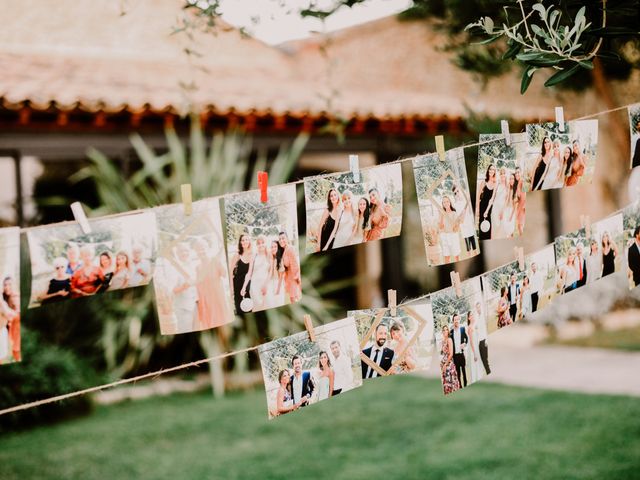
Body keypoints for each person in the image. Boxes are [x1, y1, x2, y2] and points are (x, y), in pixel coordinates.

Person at [193, 237, 232, 329]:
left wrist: (223, 259)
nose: (201, 251)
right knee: (210, 322)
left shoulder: (215, 261)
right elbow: (198, 287)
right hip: (206, 300)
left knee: (222, 321)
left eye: (203, 248)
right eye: (198, 249)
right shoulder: (197, 268)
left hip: (218, 297)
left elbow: (225, 275)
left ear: (207, 248)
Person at [168, 244, 196, 332]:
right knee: (186, 331)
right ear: (177, 254)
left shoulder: (193, 266)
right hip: (183, 308)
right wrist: (185, 286)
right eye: (181, 251)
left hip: (195, 305)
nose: (184, 253)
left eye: (186, 250)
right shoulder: (173, 269)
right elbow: (172, 290)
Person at [432, 195, 466, 263]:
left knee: (456, 256)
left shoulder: (454, 213)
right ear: (442, 204)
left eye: (447, 201)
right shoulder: (441, 213)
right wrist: (441, 215)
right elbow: (441, 227)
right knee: (446, 256)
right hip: (444, 236)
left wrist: (457, 223)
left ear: (450, 202)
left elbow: (457, 227)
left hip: (453, 236)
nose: (446, 203)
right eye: (444, 202)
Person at [230, 234, 254, 313]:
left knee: (248, 306)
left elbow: (249, 273)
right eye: (243, 240)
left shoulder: (251, 255)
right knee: (239, 306)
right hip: (236, 283)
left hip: (246, 283)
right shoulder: (237, 255)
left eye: (246, 239)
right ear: (240, 242)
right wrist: (231, 288)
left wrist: (244, 287)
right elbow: (230, 272)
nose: (244, 242)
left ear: (249, 241)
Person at [249, 235, 271, 311]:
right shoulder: (254, 255)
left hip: (265, 283)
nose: (261, 244)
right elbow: (250, 271)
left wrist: (266, 284)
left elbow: (270, 271)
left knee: (266, 305)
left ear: (266, 243)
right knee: (256, 306)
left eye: (262, 242)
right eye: (258, 243)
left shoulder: (269, 255)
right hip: (254, 284)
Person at [279, 232, 301, 304]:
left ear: (287, 239)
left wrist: (296, 279)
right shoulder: (284, 250)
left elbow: (294, 264)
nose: (281, 240)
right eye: (280, 239)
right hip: (289, 278)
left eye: (283, 238)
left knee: (294, 299)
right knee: (292, 299)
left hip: (293, 278)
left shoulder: (290, 248)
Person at [453, 184, 476, 253]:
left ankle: (474, 251)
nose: (457, 193)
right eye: (455, 193)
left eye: (458, 191)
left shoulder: (465, 200)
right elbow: (458, 213)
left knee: (471, 234)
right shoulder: (456, 203)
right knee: (466, 235)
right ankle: (468, 251)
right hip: (462, 221)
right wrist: (461, 218)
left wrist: (465, 212)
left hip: (468, 219)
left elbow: (468, 210)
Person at [477, 164, 497, 240]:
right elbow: (478, 196)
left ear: (495, 172)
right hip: (482, 206)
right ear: (488, 170)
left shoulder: (495, 184)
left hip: (489, 208)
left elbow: (492, 199)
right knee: (481, 226)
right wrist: (478, 209)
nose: (491, 171)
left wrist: (487, 211)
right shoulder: (483, 182)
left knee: (488, 227)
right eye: (490, 169)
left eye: (493, 170)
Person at [2, 277, 20, 362]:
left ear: (14, 285)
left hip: (16, 327)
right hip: (9, 328)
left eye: (9, 284)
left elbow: (17, 313)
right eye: (5, 285)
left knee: (16, 350)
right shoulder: (5, 297)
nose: (7, 287)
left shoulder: (15, 297)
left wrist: (9, 318)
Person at [440, 325, 461, 394]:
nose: (445, 331)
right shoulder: (443, 341)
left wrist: (445, 364)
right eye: (444, 330)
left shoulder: (449, 340)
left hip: (448, 364)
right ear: (442, 332)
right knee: (445, 383)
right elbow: (443, 353)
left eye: (446, 330)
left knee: (450, 382)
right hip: (443, 364)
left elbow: (451, 354)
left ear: (448, 331)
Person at [449, 314, 468, 388]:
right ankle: (460, 386)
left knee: (464, 371)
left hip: (461, 354)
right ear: (453, 321)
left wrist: (465, 344)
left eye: (457, 319)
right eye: (455, 320)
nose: (456, 321)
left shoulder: (462, 329)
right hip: (455, 356)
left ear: (459, 320)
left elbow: (466, 338)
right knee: (458, 373)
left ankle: (466, 384)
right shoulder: (451, 332)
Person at [465, 311, 484, 384]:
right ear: (469, 318)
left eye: (473, 314)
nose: (472, 316)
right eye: (471, 315)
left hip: (477, 347)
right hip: (473, 349)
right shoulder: (470, 327)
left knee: (479, 365)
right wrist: (474, 353)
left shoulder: (475, 325)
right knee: (474, 366)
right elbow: (471, 341)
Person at [490, 168, 509, 238]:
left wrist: (502, 211)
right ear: (499, 175)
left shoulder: (507, 186)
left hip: (503, 209)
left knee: (503, 228)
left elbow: (507, 200)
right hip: (495, 209)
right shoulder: (497, 184)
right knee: (495, 229)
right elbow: (492, 197)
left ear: (506, 175)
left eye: (504, 173)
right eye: (501, 173)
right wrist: (487, 209)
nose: (502, 175)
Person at [267, 240, 285, 309]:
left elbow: (281, 276)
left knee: (278, 302)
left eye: (275, 247)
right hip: (271, 283)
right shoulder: (271, 258)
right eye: (271, 247)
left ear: (278, 248)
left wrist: (278, 289)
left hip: (278, 283)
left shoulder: (280, 259)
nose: (273, 248)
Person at [474, 302, 490, 375]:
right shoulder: (477, 317)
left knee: (485, 359)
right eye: (477, 307)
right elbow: (476, 328)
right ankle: (487, 372)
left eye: (479, 307)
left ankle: (488, 372)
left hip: (484, 340)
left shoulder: (483, 317)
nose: (478, 308)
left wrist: (486, 340)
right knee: (483, 359)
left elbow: (486, 329)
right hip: (479, 341)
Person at [514, 167, 526, 236]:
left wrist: (525, 206)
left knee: (521, 227)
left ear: (521, 173)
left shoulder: (522, 181)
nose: (517, 174)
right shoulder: (518, 183)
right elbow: (518, 197)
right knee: (519, 227)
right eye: (516, 173)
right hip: (519, 207)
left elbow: (525, 194)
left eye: (518, 172)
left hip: (523, 207)